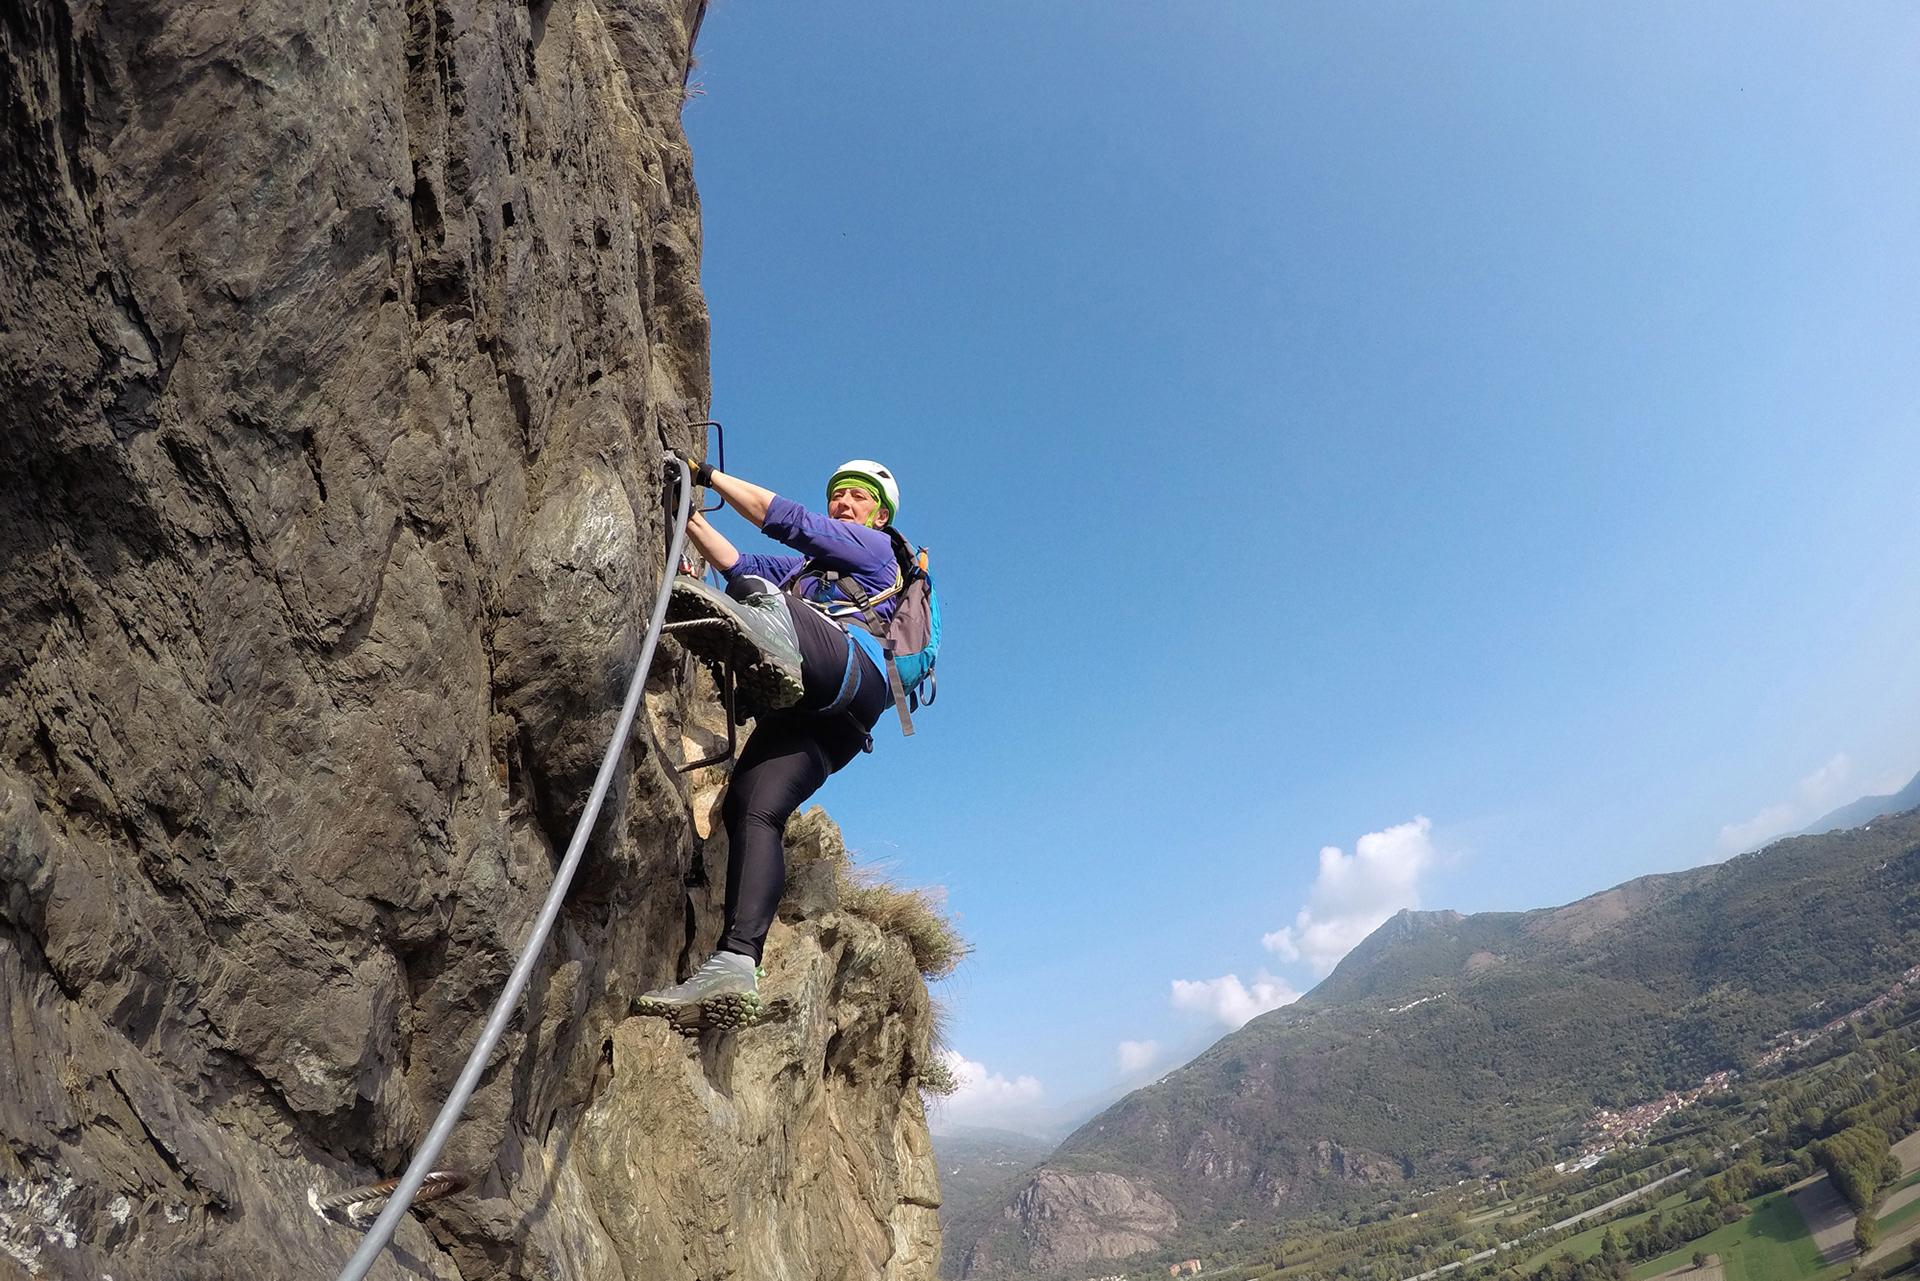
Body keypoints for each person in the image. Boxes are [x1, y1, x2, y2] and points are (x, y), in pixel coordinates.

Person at [635, 458, 906, 1030]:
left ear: (878, 517)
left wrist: (706, 475)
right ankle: (736, 962)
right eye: (838, 495)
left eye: (857, 497)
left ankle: (771, 642)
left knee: (758, 594)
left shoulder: (875, 552)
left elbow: (787, 521)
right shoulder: (805, 576)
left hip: (849, 670)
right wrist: (682, 508)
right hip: (832, 726)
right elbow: (736, 559)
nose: (844, 504)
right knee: (751, 808)